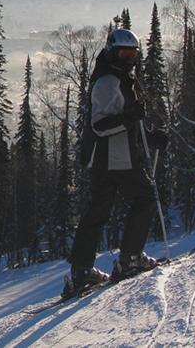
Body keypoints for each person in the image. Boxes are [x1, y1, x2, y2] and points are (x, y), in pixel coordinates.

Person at [66, 28, 168, 293]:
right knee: (145, 197)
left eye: (132, 53)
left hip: (104, 159)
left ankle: (82, 271)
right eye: (124, 53)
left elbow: (122, 120)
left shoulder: (117, 76)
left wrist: (147, 135)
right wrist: (130, 118)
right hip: (116, 158)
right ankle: (130, 259)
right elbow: (101, 125)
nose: (128, 59)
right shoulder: (108, 82)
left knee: (97, 213)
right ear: (112, 52)